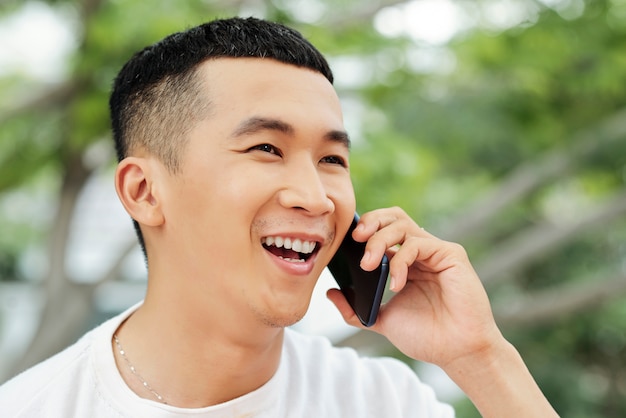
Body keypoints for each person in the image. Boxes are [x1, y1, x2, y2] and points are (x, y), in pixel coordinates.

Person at [0, 16, 559, 417]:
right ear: (144, 191)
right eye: (266, 148)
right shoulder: (34, 406)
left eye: (332, 159)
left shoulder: (384, 401)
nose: (316, 198)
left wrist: (480, 357)